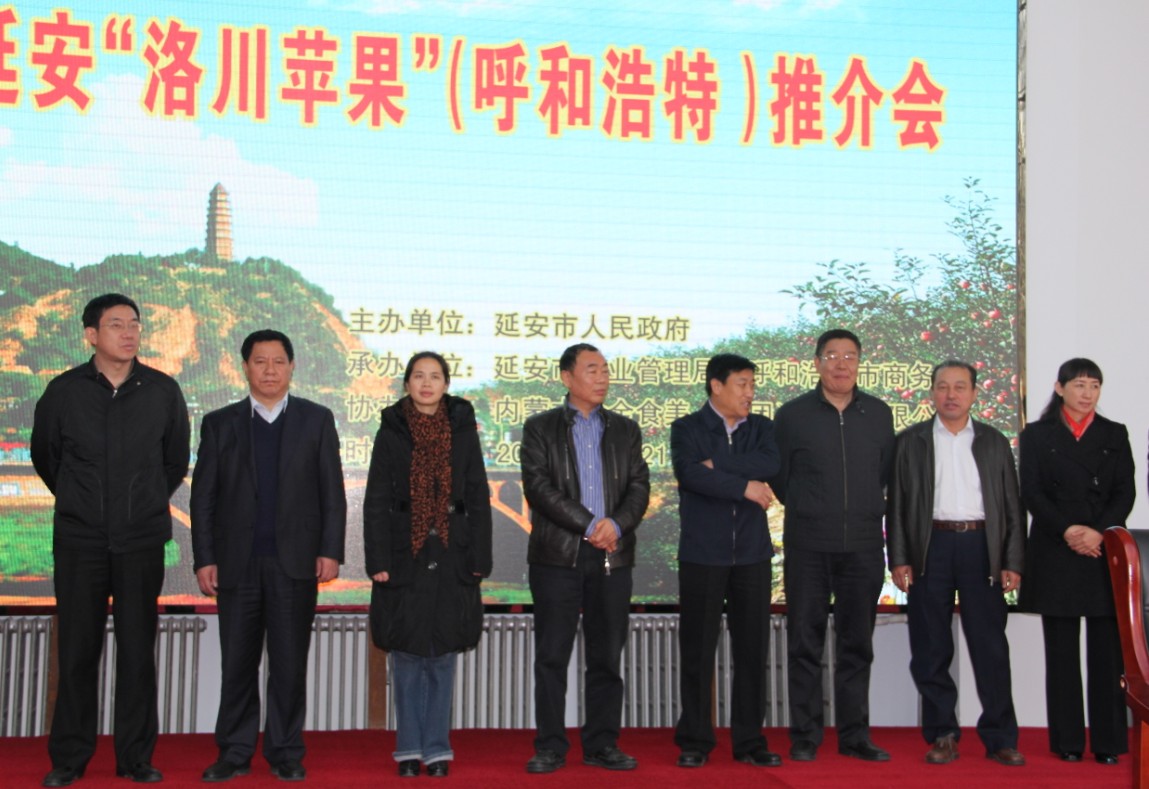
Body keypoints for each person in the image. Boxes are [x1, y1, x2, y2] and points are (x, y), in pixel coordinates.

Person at [31, 293, 190, 788]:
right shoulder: (64, 391)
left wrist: (141, 501)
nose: (128, 333)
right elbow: (47, 458)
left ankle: (135, 758)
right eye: (116, 324)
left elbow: (173, 461)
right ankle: (69, 758)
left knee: (138, 652)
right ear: (91, 335)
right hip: (80, 540)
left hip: (140, 539)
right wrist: (82, 501)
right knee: (77, 651)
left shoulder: (162, 390)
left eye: (134, 324)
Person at [191, 329, 346, 782]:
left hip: (294, 563)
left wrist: (330, 550)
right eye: (260, 361)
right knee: (237, 664)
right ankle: (234, 752)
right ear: (245, 368)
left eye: (278, 361)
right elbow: (203, 498)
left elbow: (331, 493)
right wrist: (205, 557)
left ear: (292, 367)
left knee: (289, 665)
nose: (270, 370)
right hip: (236, 565)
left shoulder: (316, 420)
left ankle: (285, 751)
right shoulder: (220, 423)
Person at [887, 361, 1026, 766]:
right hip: (930, 546)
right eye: (943, 387)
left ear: (974, 394)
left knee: (990, 647)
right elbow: (897, 505)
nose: (951, 394)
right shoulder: (911, 441)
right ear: (932, 392)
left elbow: (1012, 506)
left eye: (960, 387)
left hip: (982, 547)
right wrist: (900, 558)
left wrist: (1012, 559)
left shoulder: (993, 441)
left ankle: (1000, 737)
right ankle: (942, 734)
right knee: (931, 646)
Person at [520, 343, 650, 773]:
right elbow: (539, 488)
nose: (602, 377)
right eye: (592, 369)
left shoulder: (626, 429)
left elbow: (639, 486)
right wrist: (591, 524)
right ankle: (550, 746)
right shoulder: (540, 428)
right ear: (567, 377)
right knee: (552, 656)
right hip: (558, 557)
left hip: (613, 556)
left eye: (605, 369)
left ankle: (602, 744)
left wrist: (616, 525)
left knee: (607, 656)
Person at [363, 352, 493, 778]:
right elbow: (376, 499)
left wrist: (480, 557)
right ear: (406, 384)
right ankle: (407, 750)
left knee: (442, 656)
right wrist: (378, 560)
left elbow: (477, 495)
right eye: (418, 376)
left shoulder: (463, 429)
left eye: (435, 376)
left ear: (446, 385)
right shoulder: (391, 429)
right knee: (405, 655)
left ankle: (437, 750)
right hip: (404, 554)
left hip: (453, 552)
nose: (426, 383)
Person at [772, 328, 894, 762]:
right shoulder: (792, 415)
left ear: (859, 362)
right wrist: (813, 507)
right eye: (832, 356)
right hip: (808, 545)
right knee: (804, 642)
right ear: (817, 363)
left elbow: (883, 475)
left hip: (862, 545)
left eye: (850, 356)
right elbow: (781, 478)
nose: (841, 364)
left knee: (856, 644)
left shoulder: (879, 413)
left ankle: (854, 735)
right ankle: (805, 735)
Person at [1018, 358, 1135, 765]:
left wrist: (1098, 532)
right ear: (1060, 388)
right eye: (1080, 385)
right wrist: (1068, 530)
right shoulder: (1037, 435)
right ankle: (1067, 741)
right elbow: (1031, 492)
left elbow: (1125, 493)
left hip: (1102, 549)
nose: (1087, 393)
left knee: (1108, 653)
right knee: (1061, 654)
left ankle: (1108, 743)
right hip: (1056, 547)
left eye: (1094, 386)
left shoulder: (1114, 433)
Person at [671, 354, 781, 768]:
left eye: (753, 384)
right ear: (716, 386)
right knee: (698, 650)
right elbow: (689, 475)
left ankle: (750, 741)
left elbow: (770, 463)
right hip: (702, 554)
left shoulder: (762, 428)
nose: (750, 392)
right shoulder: (687, 428)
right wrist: (744, 487)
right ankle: (695, 740)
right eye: (742, 384)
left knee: (752, 650)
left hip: (752, 554)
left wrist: (719, 465)